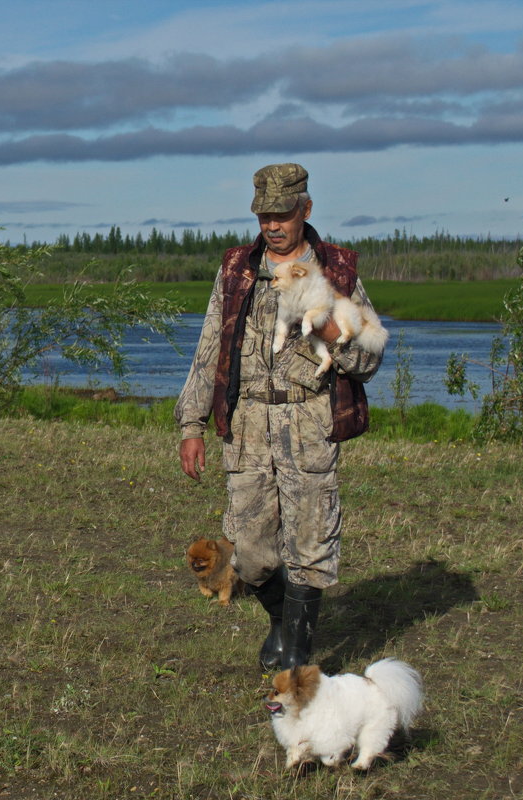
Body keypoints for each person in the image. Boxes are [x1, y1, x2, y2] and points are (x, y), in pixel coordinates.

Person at [175, 163, 384, 672]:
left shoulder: (337, 272)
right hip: (246, 428)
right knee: (250, 555)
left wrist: (337, 335)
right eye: (265, 215)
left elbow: (371, 357)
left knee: (310, 547)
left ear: (305, 210)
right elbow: (209, 349)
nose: (273, 225)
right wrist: (191, 425)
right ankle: (281, 621)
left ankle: (296, 654)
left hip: (308, 425)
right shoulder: (236, 269)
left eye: (283, 215)